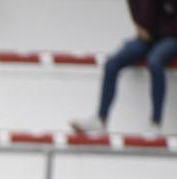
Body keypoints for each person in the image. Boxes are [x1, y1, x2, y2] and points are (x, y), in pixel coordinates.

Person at [71, 1, 177, 136]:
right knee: (112, 64)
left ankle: (156, 122)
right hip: (146, 38)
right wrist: (139, 27)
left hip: (170, 37)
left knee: (155, 62)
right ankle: (100, 119)